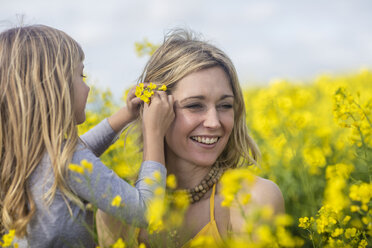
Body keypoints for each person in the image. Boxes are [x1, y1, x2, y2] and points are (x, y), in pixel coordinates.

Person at [97, 29, 285, 247]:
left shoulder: (253, 199)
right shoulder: (116, 206)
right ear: (155, 109)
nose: (214, 122)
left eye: (225, 106)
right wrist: (153, 135)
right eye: (195, 105)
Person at [0, 25, 174, 247]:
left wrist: (127, 114)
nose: (88, 87)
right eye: (80, 75)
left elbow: (75, 154)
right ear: (56, 89)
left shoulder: (20, 155)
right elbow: (147, 212)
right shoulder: (67, 157)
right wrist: (154, 133)